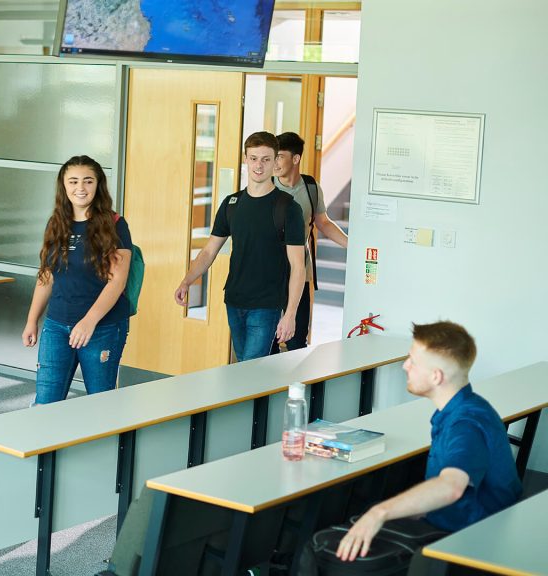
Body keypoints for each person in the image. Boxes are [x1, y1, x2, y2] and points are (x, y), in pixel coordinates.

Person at [334, 321, 521, 573]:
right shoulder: (462, 408)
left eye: (412, 361)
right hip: (460, 520)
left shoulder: (465, 423)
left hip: (472, 537)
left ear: (436, 376)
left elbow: (451, 487)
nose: (404, 366)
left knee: (342, 550)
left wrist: (380, 512)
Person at [174, 131, 305, 362]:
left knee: (250, 368)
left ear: (275, 162)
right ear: (245, 159)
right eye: (253, 158)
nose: (259, 165)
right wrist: (187, 280)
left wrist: (291, 313)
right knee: (246, 368)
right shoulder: (231, 204)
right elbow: (209, 251)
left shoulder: (288, 208)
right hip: (234, 301)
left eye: (266, 159)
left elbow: (298, 266)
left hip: (266, 305)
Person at [23, 155, 132, 404]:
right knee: (45, 403)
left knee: (98, 404)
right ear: (64, 186)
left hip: (102, 327)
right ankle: (49, 445)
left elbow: (117, 282)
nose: (80, 188)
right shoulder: (57, 223)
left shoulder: (115, 225)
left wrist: (88, 322)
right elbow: (47, 276)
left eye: (87, 181)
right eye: (73, 181)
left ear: (98, 184)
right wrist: (32, 320)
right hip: (57, 325)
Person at [270, 131, 349, 352]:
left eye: (280, 156)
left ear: (295, 159)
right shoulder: (265, 186)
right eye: (273, 156)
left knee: (297, 340)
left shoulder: (310, 188)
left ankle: (295, 386)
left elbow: (323, 222)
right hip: (268, 276)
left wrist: (353, 248)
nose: (274, 163)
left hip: (300, 274)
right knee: (268, 340)